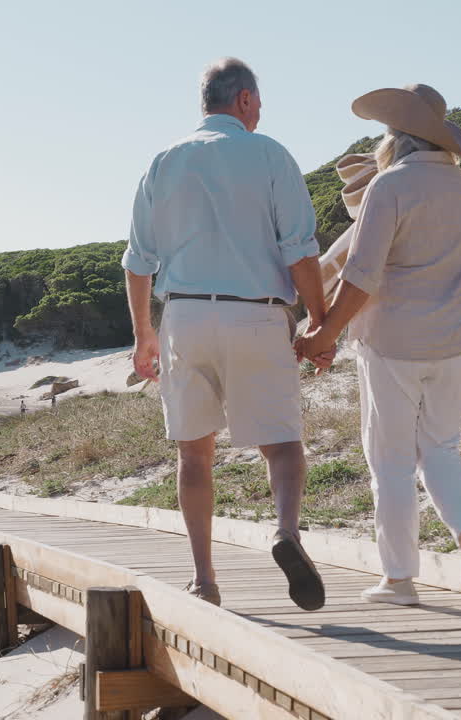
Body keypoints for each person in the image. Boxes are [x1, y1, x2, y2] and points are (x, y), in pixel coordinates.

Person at [123, 58, 327, 610]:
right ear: (242, 100)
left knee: (195, 454)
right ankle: (286, 530)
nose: (260, 112)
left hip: (185, 316)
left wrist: (145, 333)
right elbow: (300, 249)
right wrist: (321, 320)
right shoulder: (270, 154)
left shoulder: (163, 160)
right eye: (257, 102)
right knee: (281, 444)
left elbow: (138, 261)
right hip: (257, 313)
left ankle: (205, 580)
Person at [295, 84, 461, 605]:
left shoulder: (389, 187)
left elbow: (361, 275)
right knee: (442, 448)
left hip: (393, 342)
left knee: (390, 460)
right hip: (456, 337)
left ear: (395, 136)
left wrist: (326, 332)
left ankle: (400, 579)